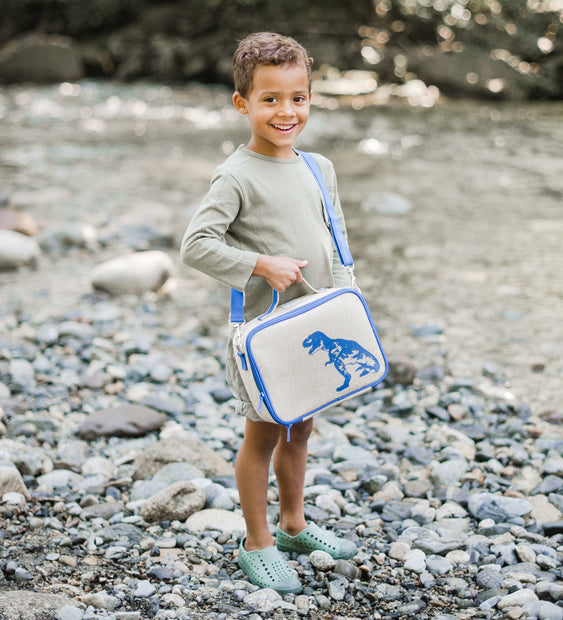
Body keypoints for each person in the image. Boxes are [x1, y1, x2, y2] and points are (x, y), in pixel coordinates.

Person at [180, 32, 357, 594]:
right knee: (262, 436)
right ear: (242, 104)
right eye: (271, 99)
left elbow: (336, 232)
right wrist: (260, 264)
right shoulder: (236, 175)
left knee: (300, 429)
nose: (287, 112)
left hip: (318, 324)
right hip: (267, 333)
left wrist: (348, 291)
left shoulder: (319, 166)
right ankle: (256, 542)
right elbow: (196, 244)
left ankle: (293, 525)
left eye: (298, 98)